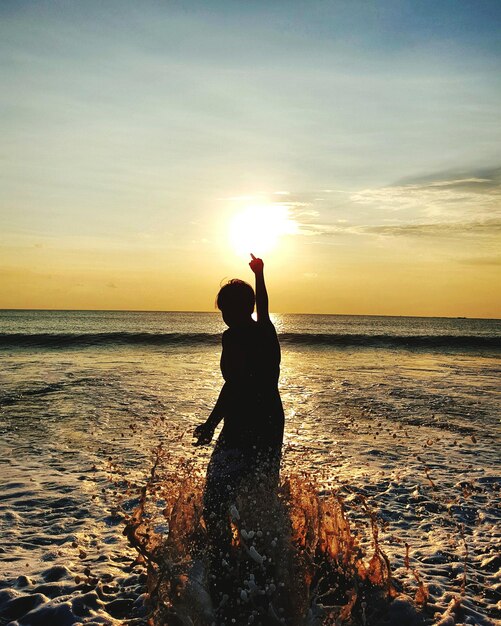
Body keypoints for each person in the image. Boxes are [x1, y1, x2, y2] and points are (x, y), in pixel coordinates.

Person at [193, 254, 284, 595]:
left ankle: (222, 561)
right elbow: (263, 306)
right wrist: (260, 275)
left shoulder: (234, 338)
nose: (224, 316)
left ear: (236, 309)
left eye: (225, 310)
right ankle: (265, 560)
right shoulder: (265, 330)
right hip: (270, 421)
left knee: (216, 497)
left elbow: (233, 385)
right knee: (260, 492)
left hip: (244, 423)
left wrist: (210, 424)